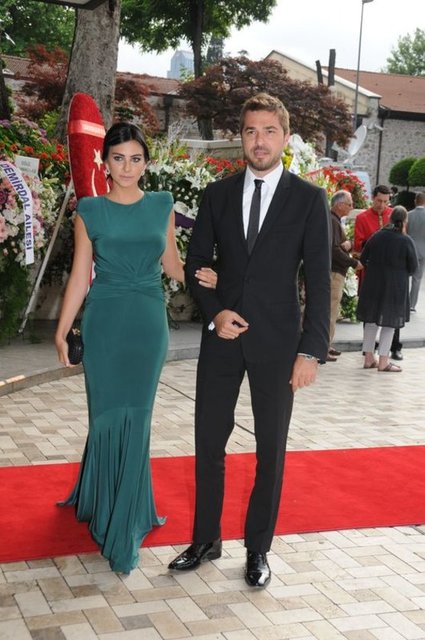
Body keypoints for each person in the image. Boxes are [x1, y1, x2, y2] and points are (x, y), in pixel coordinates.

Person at [168, 93, 331, 588]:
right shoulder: (217, 194)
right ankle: (205, 540)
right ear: (241, 137)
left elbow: (318, 281)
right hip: (222, 337)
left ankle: (258, 549)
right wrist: (215, 312)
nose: (259, 141)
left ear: (285, 137)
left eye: (268, 131)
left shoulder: (308, 199)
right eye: (250, 131)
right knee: (208, 442)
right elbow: (197, 264)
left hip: (279, 343)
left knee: (271, 449)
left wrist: (310, 350)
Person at [55, 122, 217, 574]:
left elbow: (173, 265)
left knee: (138, 419)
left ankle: (124, 523)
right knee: (105, 418)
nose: (127, 167)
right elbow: (80, 275)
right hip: (105, 323)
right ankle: (102, 501)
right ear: (105, 163)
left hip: (147, 324)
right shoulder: (89, 210)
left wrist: (212, 281)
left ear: (146, 162)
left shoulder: (162, 204)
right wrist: (61, 330)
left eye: (136, 158)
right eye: (118, 158)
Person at [357, 206, 418, 372]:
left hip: (372, 285)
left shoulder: (376, 236)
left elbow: (363, 258)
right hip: (395, 287)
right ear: (405, 221)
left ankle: (369, 358)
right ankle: (384, 361)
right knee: (390, 323)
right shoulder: (406, 241)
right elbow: (414, 267)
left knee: (371, 322)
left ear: (390, 219)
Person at [354, 184, 403, 361]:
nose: (382, 205)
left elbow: (403, 239)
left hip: (391, 274)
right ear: (373, 198)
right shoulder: (362, 217)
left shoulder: (394, 215)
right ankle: (369, 349)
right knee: (370, 312)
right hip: (372, 273)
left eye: (385, 201)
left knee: (393, 312)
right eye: (379, 201)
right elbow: (358, 244)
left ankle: (395, 347)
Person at [328, 190, 361, 361]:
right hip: (334, 272)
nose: (351, 207)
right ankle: (323, 347)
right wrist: (353, 262)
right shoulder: (332, 221)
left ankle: (326, 345)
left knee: (332, 310)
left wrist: (346, 245)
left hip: (335, 271)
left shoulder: (333, 220)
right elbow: (334, 250)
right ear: (339, 205)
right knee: (330, 311)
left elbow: (337, 246)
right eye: (349, 204)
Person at [407, 192, 425, 312]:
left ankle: (401, 301)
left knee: (404, 277)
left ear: (415, 201)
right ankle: (412, 305)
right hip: (422, 250)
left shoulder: (408, 215)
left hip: (408, 249)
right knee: (417, 279)